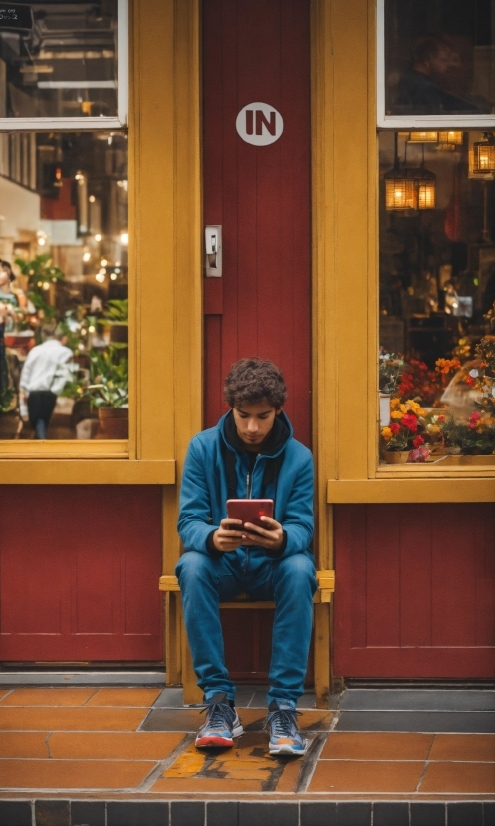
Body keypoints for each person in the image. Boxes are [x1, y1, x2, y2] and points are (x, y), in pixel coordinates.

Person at [176, 358, 316, 756]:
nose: (252, 427)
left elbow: (304, 527)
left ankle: (283, 707)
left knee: (300, 566)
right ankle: (219, 704)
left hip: (272, 566)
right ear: (230, 408)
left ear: (279, 411)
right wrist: (211, 537)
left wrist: (282, 538)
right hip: (223, 565)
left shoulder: (299, 457)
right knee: (191, 564)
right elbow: (188, 520)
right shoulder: (203, 448)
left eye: (263, 416)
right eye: (243, 416)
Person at [395, 35, 482, 115]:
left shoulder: (416, 82)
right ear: (427, 59)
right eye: (444, 60)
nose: (449, 65)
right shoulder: (424, 88)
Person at [20, 324, 73, 439]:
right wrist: (55, 391)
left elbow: (26, 373)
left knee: (37, 422)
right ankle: (41, 449)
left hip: (33, 392)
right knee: (42, 422)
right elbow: (65, 374)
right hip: (48, 392)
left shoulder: (35, 351)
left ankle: (41, 449)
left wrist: (24, 391)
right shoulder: (65, 352)